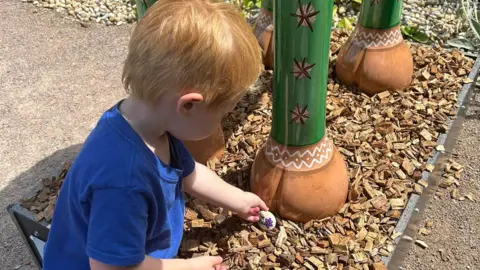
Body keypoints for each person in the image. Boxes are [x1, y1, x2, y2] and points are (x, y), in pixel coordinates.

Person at [42, 0, 265, 269]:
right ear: (188, 105)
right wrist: (190, 267)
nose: (223, 121)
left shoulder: (148, 121)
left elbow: (188, 173)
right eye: (222, 114)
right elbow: (111, 267)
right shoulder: (124, 180)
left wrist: (238, 200)